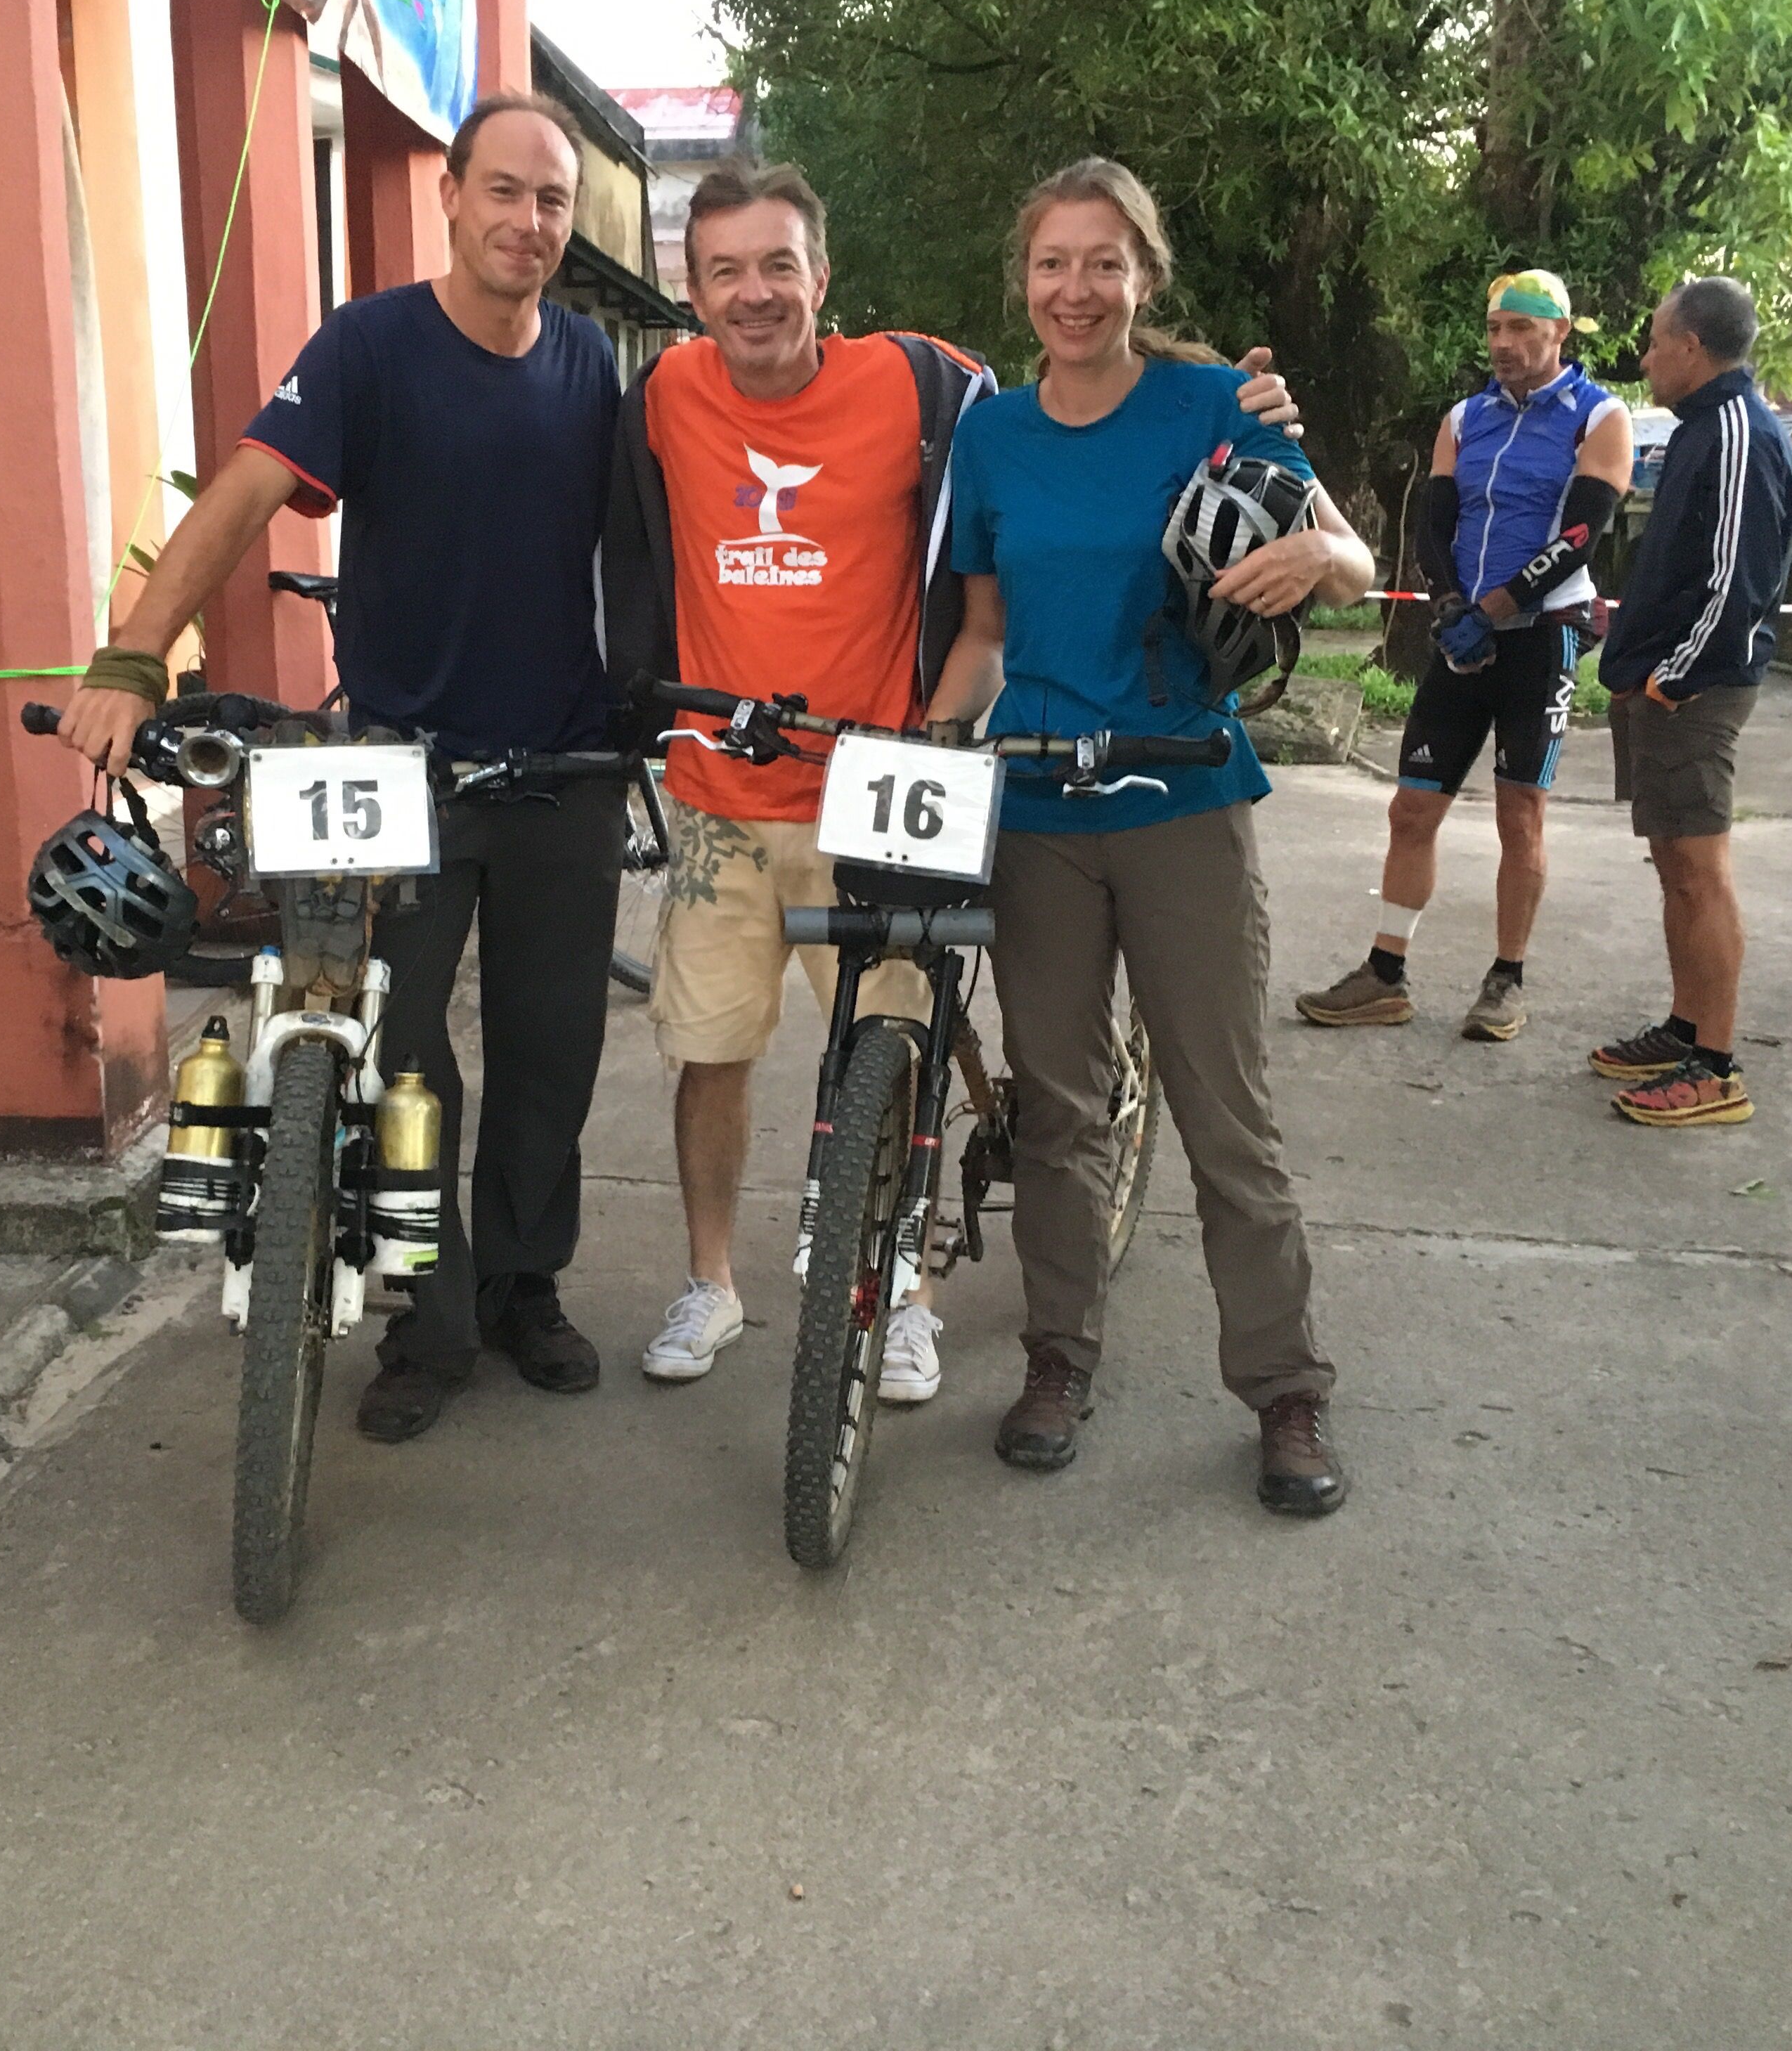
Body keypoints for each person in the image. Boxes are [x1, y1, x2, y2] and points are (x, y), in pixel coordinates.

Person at [602, 160, 1303, 1402]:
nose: (754, 293)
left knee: (919, 1048)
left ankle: (929, 1297)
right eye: (723, 272)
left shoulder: (937, 385)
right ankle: (737, 1285)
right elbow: (974, 620)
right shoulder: (666, 393)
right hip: (763, 789)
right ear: (689, 289)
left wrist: (1305, 502)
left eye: (778, 266)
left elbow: (1267, 500)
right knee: (725, 1056)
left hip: (970, 774)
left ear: (823, 275)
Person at [60, 93, 625, 1439]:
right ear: (452, 194)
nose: (527, 222)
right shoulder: (372, 345)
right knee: (399, 1055)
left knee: (554, 1051)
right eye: (505, 191)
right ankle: (426, 1323)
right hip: (397, 768)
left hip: (564, 766)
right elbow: (248, 491)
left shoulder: (593, 363)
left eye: (551, 202)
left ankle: (522, 1288)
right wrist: (134, 657)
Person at [924, 157, 1374, 1513]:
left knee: (1224, 1111)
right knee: (1055, 1107)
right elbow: (985, 636)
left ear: (1143, 276)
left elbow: (1342, 552)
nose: (1075, 288)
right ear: (1025, 277)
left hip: (1182, 796)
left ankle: (1285, 1388)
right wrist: (922, 745)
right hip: (1038, 810)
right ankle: (1057, 1355)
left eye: (1102, 262)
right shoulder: (991, 436)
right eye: (1052, 262)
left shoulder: (1214, 404)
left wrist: (1323, 560)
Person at [1296, 270, 1630, 1042]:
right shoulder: (1465, 418)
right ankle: (1385, 973)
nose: (1505, 344)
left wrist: (1499, 609)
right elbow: (1433, 525)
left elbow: (1582, 532)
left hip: (1541, 635)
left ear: (1561, 334)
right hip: (1462, 635)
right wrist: (1450, 607)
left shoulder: (1598, 416)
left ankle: (1506, 979)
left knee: (1522, 813)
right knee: (1412, 806)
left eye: (1522, 328)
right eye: (1494, 330)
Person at [1590, 276, 1792, 1127]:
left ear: (1693, 348)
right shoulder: (1701, 431)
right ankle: (1685, 1027)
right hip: (1659, 681)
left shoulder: (1739, 431)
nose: (1645, 357)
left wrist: (1673, 674)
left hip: (1693, 691)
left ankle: (1716, 1067)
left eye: (1654, 340)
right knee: (1674, 865)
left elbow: (1737, 578)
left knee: (1702, 874)